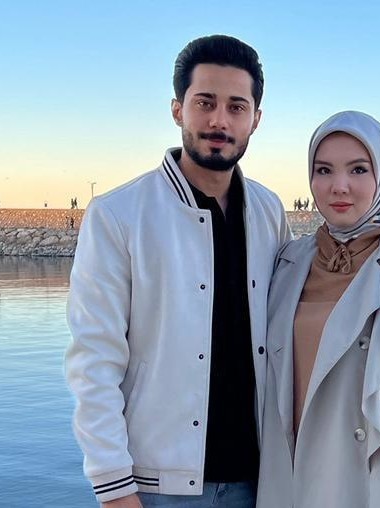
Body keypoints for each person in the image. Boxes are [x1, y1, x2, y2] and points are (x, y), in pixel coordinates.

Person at [65, 35, 291, 507]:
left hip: (260, 483)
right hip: (158, 488)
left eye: (236, 106)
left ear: (256, 119)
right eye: (204, 102)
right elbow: (94, 361)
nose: (219, 120)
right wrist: (114, 486)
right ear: (177, 110)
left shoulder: (269, 211)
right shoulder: (119, 215)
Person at [257, 111, 380, 508]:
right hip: (285, 481)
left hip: (367, 486)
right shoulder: (291, 260)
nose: (339, 186)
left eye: (358, 169)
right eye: (324, 170)